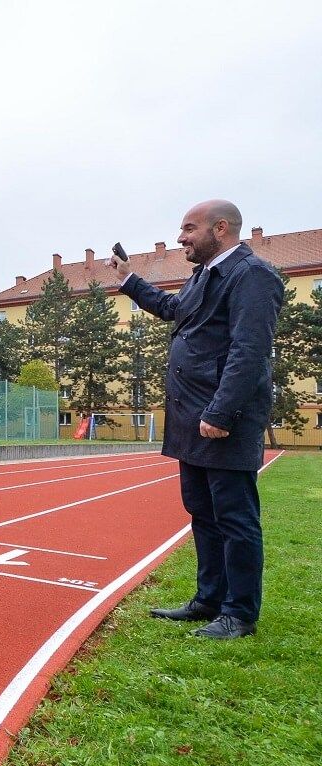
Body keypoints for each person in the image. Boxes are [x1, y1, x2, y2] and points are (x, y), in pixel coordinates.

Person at [111, 199, 284, 639]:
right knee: (203, 514)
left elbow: (250, 351)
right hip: (193, 418)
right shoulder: (205, 275)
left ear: (220, 229)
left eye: (189, 228)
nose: (181, 237)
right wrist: (129, 280)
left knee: (235, 518)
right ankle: (209, 600)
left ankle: (239, 613)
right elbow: (174, 311)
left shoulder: (253, 276)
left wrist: (222, 411)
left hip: (223, 419)